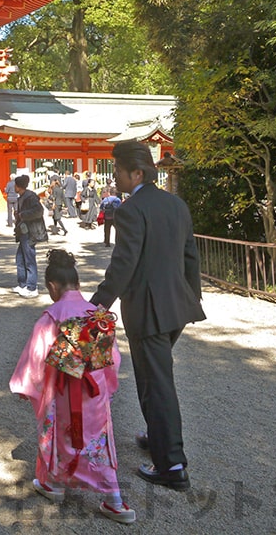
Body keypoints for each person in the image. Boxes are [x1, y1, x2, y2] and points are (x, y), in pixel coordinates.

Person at [90, 140, 205, 491]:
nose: (116, 177)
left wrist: (98, 303)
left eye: (119, 171)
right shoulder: (175, 204)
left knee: (156, 385)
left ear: (136, 173)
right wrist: (191, 296)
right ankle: (158, 436)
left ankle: (171, 463)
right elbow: (190, 257)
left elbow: (125, 263)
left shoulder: (131, 209)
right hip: (178, 305)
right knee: (155, 378)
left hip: (149, 309)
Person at [10, 249, 136, 524]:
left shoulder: (52, 317)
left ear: (52, 287)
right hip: (94, 391)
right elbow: (112, 359)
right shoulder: (96, 315)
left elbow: (37, 355)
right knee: (98, 441)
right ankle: (114, 499)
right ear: (78, 285)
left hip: (62, 392)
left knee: (57, 436)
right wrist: (107, 387)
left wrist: (25, 385)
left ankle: (53, 483)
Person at [13, 174, 48, 299]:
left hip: (30, 231)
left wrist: (22, 215)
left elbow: (39, 211)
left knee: (29, 259)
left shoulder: (30, 196)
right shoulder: (23, 196)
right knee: (20, 259)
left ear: (18, 186)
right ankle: (22, 284)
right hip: (23, 230)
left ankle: (32, 287)